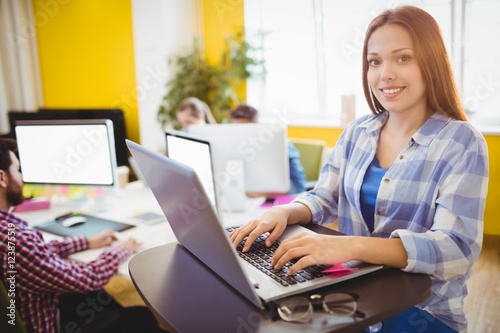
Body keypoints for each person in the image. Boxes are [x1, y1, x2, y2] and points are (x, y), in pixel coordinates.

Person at [229, 5, 488, 333]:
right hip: (351, 299)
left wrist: (345, 246)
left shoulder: (462, 142)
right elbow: (323, 197)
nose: (385, 74)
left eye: (403, 58)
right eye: (375, 62)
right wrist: (284, 213)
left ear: (431, 62)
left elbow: (456, 249)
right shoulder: (358, 132)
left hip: (422, 313)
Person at [0, 138, 165, 333]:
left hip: (36, 304)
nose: (21, 178)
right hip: (46, 324)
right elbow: (89, 277)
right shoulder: (17, 242)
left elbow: (37, 254)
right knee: (141, 317)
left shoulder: (8, 231)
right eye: (17, 171)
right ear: (2, 178)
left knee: (103, 298)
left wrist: (85, 241)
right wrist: (121, 250)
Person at [230, 103, 307, 194]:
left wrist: (259, 193)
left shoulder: (276, 141)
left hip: (293, 189)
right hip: (257, 191)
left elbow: (298, 186)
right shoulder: (241, 145)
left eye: (244, 128)